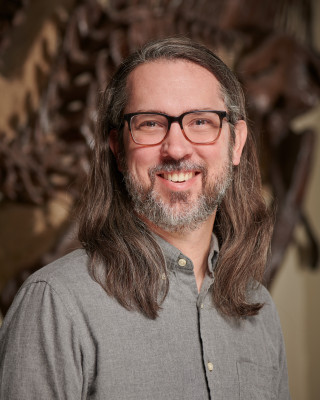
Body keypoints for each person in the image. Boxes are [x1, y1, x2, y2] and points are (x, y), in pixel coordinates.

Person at [0, 37, 290, 399]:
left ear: (237, 142)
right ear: (118, 149)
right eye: (151, 124)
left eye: (201, 121)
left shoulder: (259, 310)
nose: (176, 148)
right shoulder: (55, 305)